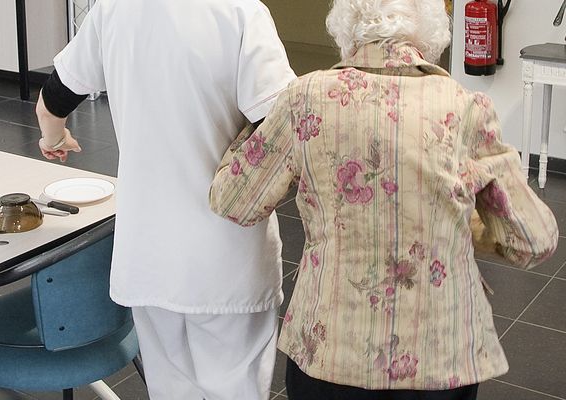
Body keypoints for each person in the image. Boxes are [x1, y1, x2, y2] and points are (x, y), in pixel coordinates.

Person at [209, 0, 559, 399]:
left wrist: (251, 131)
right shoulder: (465, 108)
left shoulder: (303, 99)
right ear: (430, 34)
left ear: (346, 30)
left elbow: (233, 201)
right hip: (439, 358)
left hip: (330, 354)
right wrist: (473, 223)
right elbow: (534, 240)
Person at [34, 1, 296, 399]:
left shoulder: (113, 10)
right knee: (235, 386)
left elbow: (53, 99)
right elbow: (281, 124)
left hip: (148, 256)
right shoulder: (240, 11)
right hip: (226, 256)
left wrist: (54, 138)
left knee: (170, 388)